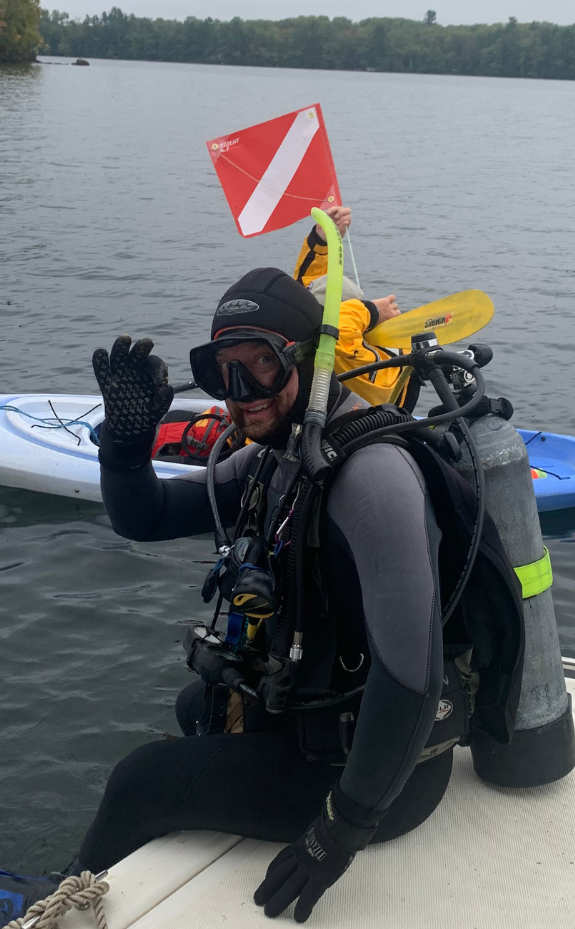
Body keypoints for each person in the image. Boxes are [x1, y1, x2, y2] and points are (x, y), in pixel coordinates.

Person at [77, 268, 455, 923]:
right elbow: (148, 517)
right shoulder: (275, 461)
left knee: (137, 781)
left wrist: (339, 831)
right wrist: (127, 447)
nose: (243, 392)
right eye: (225, 372)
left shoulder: (371, 476)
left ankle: (60, 909)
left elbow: (415, 679)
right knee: (197, 703)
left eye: (262, 365)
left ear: (312, 361)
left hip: (385, 770)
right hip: (314, 718)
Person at [293, 206, 412, 407]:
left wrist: (322, 241)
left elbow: (311, 288)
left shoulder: (302, 342)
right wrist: (373, 312)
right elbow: (340, 328)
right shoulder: (355, 355)